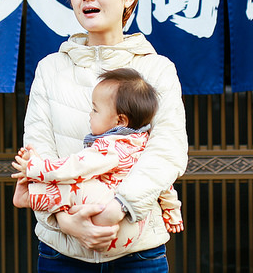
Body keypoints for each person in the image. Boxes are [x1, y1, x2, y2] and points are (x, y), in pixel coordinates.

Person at [15, 0, 188, 272]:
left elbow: (168, 151)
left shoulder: (156, 69)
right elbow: (37, 150)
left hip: (138, 252)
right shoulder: (51, 68)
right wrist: (66, 221)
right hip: (60, 250)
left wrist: (118, 207)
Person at [11, 67, 183, 258]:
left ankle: (29, 197)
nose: (90, 115)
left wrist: (36, 168)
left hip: (107, 221)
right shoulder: (141, 141)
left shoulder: (110, 147)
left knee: (73, 182)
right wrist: (172, 212)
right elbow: (164, 184)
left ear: (120, 120)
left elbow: (77, 166)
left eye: (95, 109)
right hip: (133, 230)